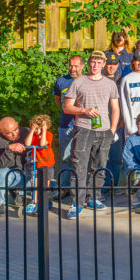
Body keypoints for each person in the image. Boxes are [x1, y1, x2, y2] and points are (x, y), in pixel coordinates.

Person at [61, 51, 121, 219]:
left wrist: (112, 130)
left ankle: (93, 197)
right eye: (93, 62)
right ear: (89, 63)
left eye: (99, 62)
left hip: (104, 131)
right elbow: (67, 107)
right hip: (83, 129)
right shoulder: (78, 82)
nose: (95, 65)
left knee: (100, 165)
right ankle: (76, 203)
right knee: (79, 166)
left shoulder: (110, 84)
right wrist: (84, 110)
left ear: (104, 64)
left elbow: (115, 109)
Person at [0, 117, 31, 217]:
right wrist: (9, 148)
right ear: (2, 132)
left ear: (18, 125)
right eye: (9, 133)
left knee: (45, 181)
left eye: (16, 129)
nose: (14, 134)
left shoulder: (26, 132)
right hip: (7, 175)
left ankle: (19, 193)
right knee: (2, 173)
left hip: (24, 174)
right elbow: (2, 165)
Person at [53, 54, 84, 183]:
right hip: (65, 125)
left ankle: (79, 187)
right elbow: (57, 100)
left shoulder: (87, 80)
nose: (72, 69)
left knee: (81, 158)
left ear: (83, 66)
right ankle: (64, 187)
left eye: (76, 66)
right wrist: (67, 110)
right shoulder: (61, 81)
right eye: (70, 66)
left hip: (83, 125)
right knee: (65, 158)